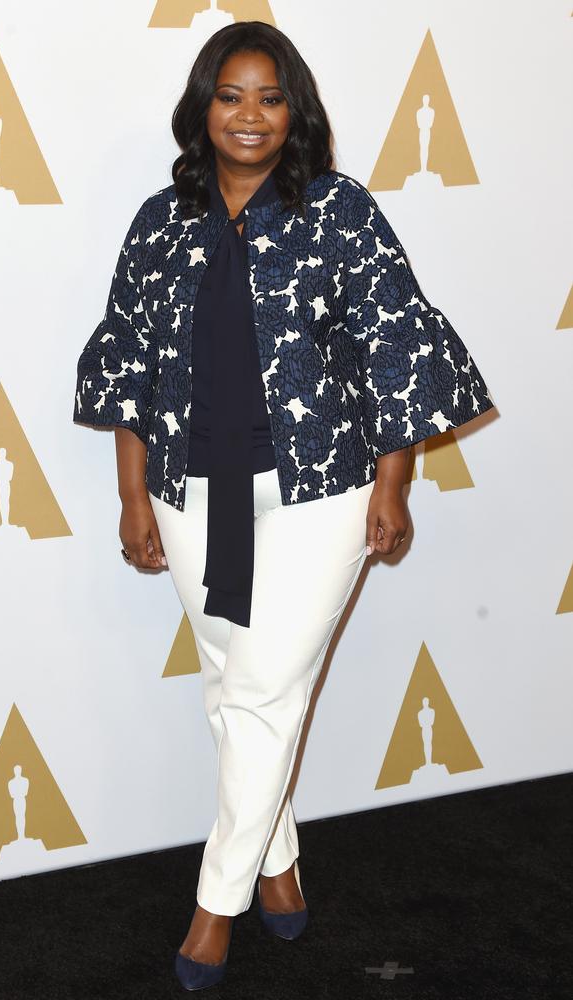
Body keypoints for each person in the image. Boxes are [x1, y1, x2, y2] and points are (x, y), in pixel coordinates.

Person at [73, 20, 495, 991]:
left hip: (322, 490)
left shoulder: (337, 211)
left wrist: (391, 485)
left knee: (261, 693)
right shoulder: (159, 221)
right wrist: (132, 496)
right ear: (203, 108)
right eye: (230, 96)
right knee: (233, 687)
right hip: (189, 493)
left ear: (293, 107)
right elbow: (127, 362)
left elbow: (393, 342)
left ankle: (212, 905)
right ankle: (276, 859)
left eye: (268, 96)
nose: (249, 115)